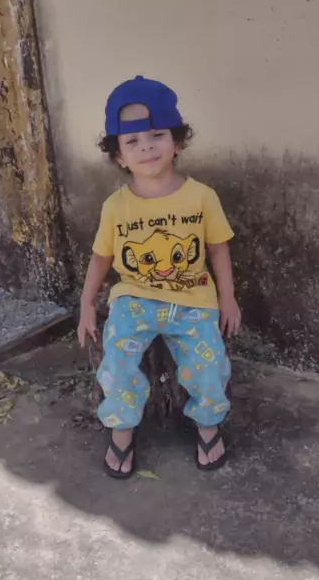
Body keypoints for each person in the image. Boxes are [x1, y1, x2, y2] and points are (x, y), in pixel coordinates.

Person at [77, 76, 241, 479]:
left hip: (194, 300)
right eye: (132, 141)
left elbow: (218, 248)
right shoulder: (115, 206)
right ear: (119, 156)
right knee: (116, 361)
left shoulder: (202, 197)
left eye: (157, 135)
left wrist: (228, 298)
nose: (146, 147)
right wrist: (86, 303)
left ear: (177, 142)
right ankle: (121, 428)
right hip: (133, 300)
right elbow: (101, 256)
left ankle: (208, 424)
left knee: (210, 364)